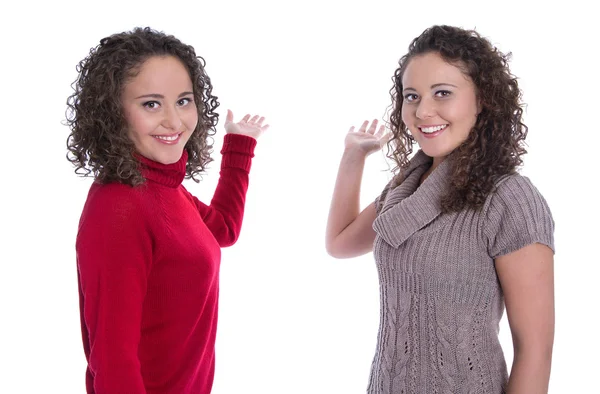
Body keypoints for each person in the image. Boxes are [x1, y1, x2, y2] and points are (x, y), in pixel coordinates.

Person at [326, 25, 554, 393]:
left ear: (482, 99)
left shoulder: (510, 198)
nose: (423, 111)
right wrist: (353, 156)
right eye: (411, 96)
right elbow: (339, 244)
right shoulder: (407, 186)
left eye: (443, 93)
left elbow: (535, 350)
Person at [66, 27, 268, 394]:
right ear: (113, 114)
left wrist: (239, 146)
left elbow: (222, 229)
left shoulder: (164, 187)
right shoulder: (119, 209)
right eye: (151, 104)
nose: (175, 122)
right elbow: (113, 361)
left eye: (184, 100)